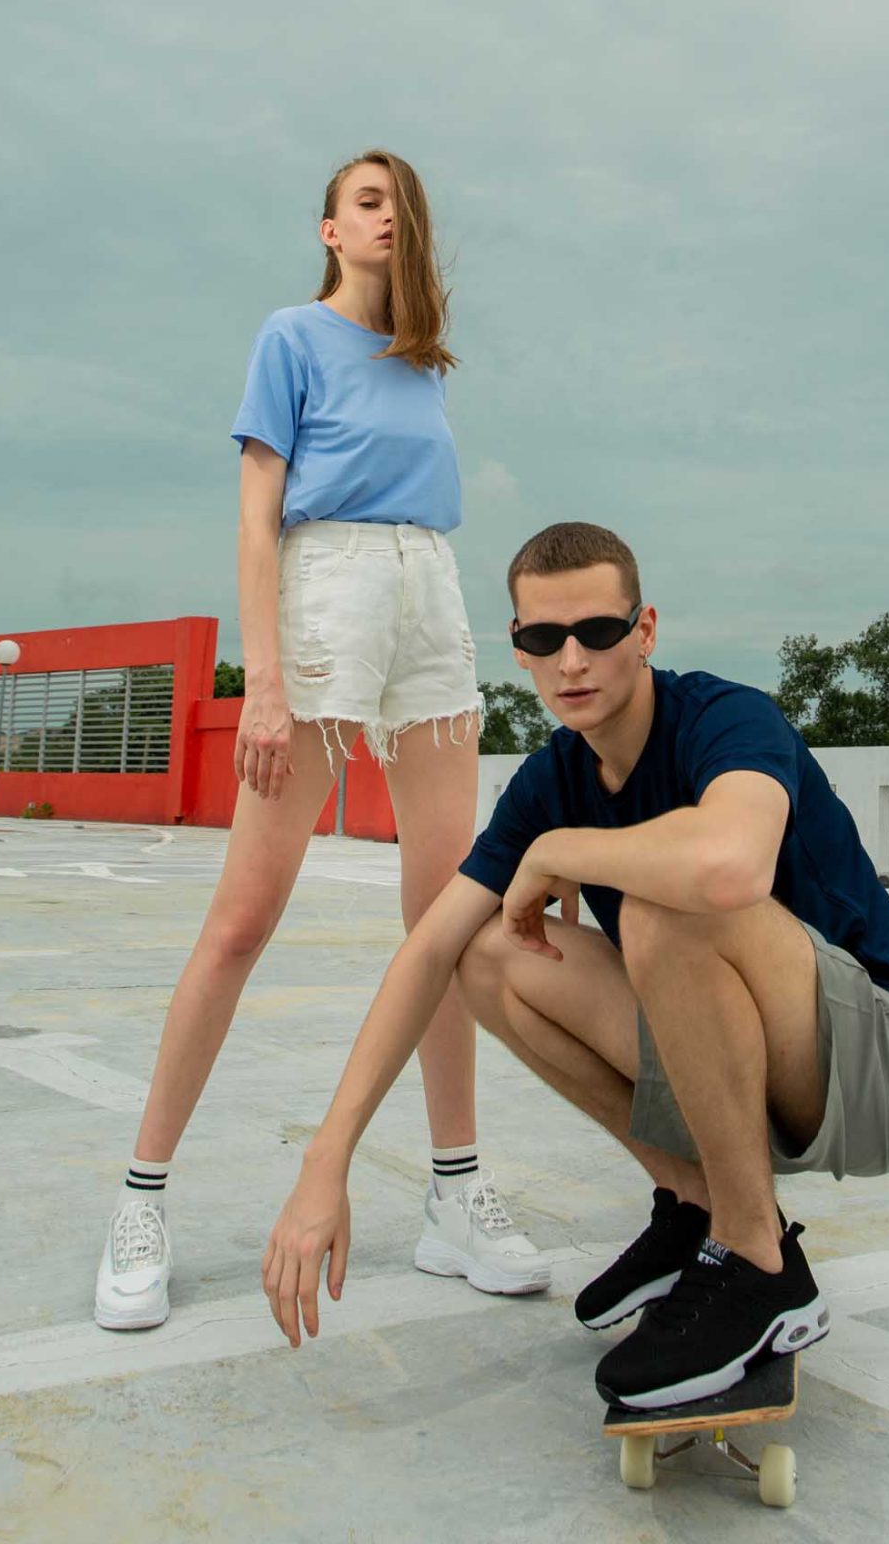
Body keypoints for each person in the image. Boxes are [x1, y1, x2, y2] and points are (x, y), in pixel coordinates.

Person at [260, 521, 889, 1410]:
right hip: (758, 1064)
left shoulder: (724, 718)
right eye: (543, 638)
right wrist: (327, 1162)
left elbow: (731, 867)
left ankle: (758, 1264)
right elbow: (428, 950)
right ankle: (697, 1206)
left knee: (669, 908)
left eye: (597, 631)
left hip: (886, 1067)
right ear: (518, 648)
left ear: (645, 631)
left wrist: (564, 849)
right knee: (487, 953)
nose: (571, 661)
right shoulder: (554, 777)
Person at [94, 151, 551, 1331]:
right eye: (366, 200)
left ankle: (454, 1194)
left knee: (447, 915)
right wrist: (265, 682)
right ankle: (142, 1198)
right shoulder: (291, 335)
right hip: (325, 595)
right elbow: (258, 519)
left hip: (428, 598)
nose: (387, 215)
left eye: (401, 201)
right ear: (330, 229)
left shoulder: (425, 361)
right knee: (243, 918)